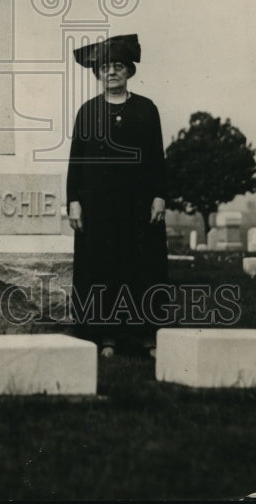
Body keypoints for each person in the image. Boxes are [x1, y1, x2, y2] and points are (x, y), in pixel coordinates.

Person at [66, 34, 168, 357]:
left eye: (118, 66)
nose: (111, 72)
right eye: (105, 67)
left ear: (129, 71)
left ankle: (146, 335)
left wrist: (159, 196)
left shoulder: (147, 110)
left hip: (138, 206)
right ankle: (105, 336)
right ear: (98, 74)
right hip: (99, 207)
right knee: (102, 267)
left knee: (142, 266)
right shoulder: (88, 112)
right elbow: (76, 163)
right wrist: (75, 202)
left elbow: (157, 158)